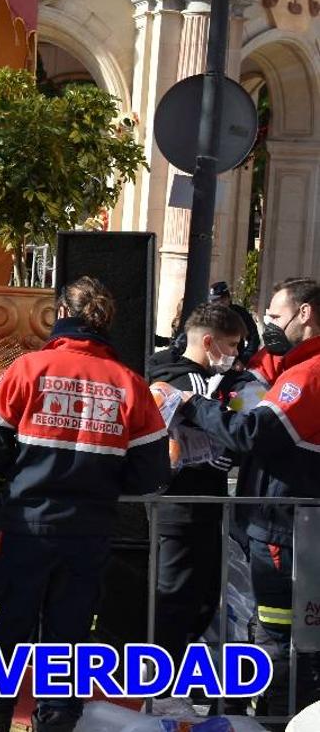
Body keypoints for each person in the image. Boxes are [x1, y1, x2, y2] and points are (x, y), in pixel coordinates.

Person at [0, 277, 169, 732]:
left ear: (62, 311)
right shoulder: (130, 384)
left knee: (4, 639)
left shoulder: (28, 369)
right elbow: (152, 473)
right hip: (89, 536)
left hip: (25, 530)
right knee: (70, 646)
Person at [179, 277, 320, 721]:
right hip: (291, 525)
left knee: (280, 641)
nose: (269, 326)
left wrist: (193, 405)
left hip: (285, 527)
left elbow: (257, 433)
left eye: (275, 316)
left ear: (305, 314)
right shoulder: (296, 366)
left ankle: (276, 722)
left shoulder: (310, 374)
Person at [145, 302, 251, 712]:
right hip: (182, 505)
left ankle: (185, 688)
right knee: (175, 601)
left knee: (203, 599)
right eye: (231, 344)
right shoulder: (190, 381)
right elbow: (231, 421)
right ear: (208, 342)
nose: (236, 354)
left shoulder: (208, 378)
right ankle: (159, 693)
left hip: (203, 504)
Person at [209, 280, 261, 365]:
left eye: (218, 300)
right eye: (213, 301)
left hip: (233, 363)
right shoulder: (208, 314)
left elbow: (253, 338)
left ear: (227, 298)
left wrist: (243, 360)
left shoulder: (240, 314)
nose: (215, 304)